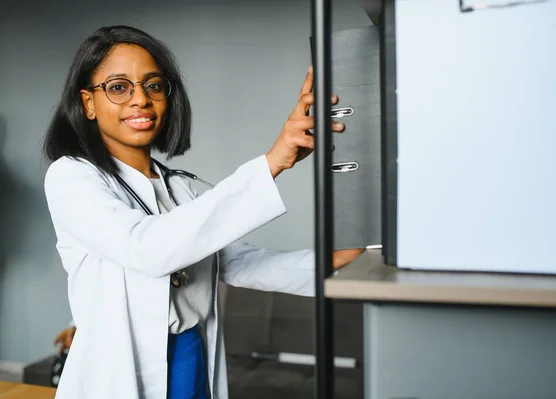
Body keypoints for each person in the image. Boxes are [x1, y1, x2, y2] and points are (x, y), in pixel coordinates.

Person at [42, 25, 363, 399]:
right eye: (118, 87)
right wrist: (273, 162)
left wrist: (342, 259)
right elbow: (148, 249)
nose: (140, 100)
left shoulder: (183, 186)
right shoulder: (71, 176)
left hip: (190, 355)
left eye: (154, 85)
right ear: (88, 103)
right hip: (120, 370)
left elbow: (240, 263)